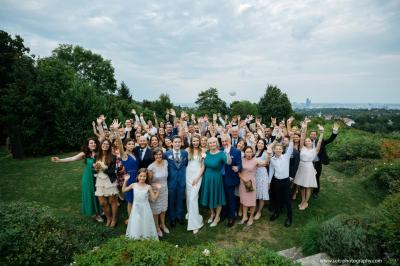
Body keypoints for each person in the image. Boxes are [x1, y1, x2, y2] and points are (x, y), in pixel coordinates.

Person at [51, 138, 101, 222]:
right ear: (88, 145)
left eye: (94, 143)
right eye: (91, 143)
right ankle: (96, 214)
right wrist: (59, 160)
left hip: (99, 177)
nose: (93, 144)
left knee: (99, 194)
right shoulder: (84, 154)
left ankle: (100, 210)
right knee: (91, 194)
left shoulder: (100, 153)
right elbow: (72, 158)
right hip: (88, 178)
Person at [199, 137, 231, 227]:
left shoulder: (221, 154)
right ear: (208, 144)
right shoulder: (206, 153)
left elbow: (229, 163)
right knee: (209, 196)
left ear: (217, 143)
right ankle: (212, 213)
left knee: (217, 198)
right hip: (207, 178)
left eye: (214, 142)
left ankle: (217, 217)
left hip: (216, 178)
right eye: (210, 143)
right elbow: (202, 165)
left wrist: (228, 154)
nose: (212, 144)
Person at [111, 120, 138, 223]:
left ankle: (135, 216)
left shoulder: (134, 154)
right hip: (130, 178)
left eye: (132, 144)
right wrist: (117, 131)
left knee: (136, 199)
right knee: (130, 200)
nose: (131, 145)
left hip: (137, 177)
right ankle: (130, 218)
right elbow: (119, 143)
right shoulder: (124, 155)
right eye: (129, 144)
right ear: (125, 146)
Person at [123, 168, 161, 240]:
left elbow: (153, 199)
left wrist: (158, 190)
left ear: (146, 177)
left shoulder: (148, 187)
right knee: (136, 221)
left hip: (145, 208)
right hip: (136, 208)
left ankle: (145, 236)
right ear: (137, 176)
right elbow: (123, 190)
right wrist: (125, 180)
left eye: (144, 176)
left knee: (145, 222)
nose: (142, 178)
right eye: (141, 176)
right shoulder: (134, 185)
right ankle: (136, 235)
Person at [294, 122, 324, 210]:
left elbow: (319, 142)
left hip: (309, 168)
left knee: (308, 186)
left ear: (311, 142)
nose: (307, 142)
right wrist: (303, 128)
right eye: (306, 141)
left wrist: (321, 133)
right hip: (301, 167)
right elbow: (302, 138)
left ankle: (306, 202)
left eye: (309, 141)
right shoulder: (302, 148)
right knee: (302, 186)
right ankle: (303, 200)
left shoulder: (315, 150)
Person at [268, 132, 294, 227]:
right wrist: (269, 181)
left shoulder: (286, 157)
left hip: (285, 181)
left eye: (280, 149)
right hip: (276, 181)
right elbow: (271, 170)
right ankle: (276, 212)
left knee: (287, 199)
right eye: (276, 149)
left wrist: (291, 138)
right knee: (277, 198)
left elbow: (291, 148)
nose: (278, 150)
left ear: (282, 150)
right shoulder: (272, 159)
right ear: (274, 150)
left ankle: (289, 217)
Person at [93, 139, 119, 227]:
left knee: (112, 201)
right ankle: (109, 217)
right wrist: (95, 169)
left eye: (107, 144)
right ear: (101, 145)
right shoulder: (96, 156)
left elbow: (112, 172)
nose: (105, 145)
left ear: (109, 146)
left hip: (109, 180)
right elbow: (94, 170)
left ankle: (114, 218)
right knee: (102, 203)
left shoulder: (112, 157)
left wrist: (104, 168)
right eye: (104, 144)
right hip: (99, 180)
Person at [164, 136, 188, 227]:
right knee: (171, 199)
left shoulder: (185, 153)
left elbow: (185, 164)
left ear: (181, 143)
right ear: (172, 143)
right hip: (171, 180)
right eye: (175, 142)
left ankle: (179, 216)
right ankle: (172, 218)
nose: (177, 144)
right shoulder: (166, 154)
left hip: (181, 180)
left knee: (180, 199)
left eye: (179, 142)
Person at [310, 122, 340, 198]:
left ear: (316, 135)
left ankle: (315, 192)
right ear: (309, 135)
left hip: (317, 162)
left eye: (314, 134)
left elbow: (330, 139)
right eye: (311, 134)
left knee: (317, 177)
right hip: (309, 163)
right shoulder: (307, 142)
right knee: (308, 176)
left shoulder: (321, 141)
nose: (313, 135)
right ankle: (307, 189)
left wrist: (335, 131)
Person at [220, 134, 242, 227]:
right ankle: (224, 213)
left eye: (226, 141)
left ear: (230, 141)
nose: (224, 143)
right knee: (223, 197)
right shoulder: (220, 151)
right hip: (220, 178)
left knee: (231, 198)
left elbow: (240, 165)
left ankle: (231, 216)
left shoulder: (236, 151)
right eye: (223, 141)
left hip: (230, 178)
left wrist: (238, 168)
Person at [148, 148, 169, 237]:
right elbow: (149, 181)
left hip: (164, 189)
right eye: (156, 154)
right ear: (153, 156)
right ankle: (157, 227)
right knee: (156, 210)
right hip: (155, 190)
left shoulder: (166, 163)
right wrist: (152, 192)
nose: (158, 156)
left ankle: (163, 225)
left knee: (163, 209)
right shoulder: (151, 167)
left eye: (160, 154)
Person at [185, 134, 204, 234]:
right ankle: (190, 213)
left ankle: (195, 223)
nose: (195, 142)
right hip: (188, 175)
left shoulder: (203, 151)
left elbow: (202, 166)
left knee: (193, 198)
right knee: (189, 196)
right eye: (194, 141)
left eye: (197, 141)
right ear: (191, 142)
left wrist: (197, 177)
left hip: (197, 176)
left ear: (199, 141)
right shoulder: (188, 150)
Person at [238, 146, 258, 226]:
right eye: (247, 152)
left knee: (252, 201)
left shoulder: (255, 160)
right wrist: (244, 180)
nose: (249, 153)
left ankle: (251, 217)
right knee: (244, 201)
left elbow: (265, 162)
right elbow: (238, 172)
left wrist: (269, 154)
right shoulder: (241, 160)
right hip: (243, 183)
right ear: (244, 152)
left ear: (252, 152)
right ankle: (244, 217)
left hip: (251, 183)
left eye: (250, 152)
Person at [254, 139, 271, 220]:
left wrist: (257, 162)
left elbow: (266, 163)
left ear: (264, 145)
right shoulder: (255, 152)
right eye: (259, 143)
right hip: (254, 174)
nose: (260, 144)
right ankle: (256, 208)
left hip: (262, 174)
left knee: (261, 194)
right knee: (255, 193)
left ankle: (259, 211)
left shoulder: (265, 153)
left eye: (262, 143)